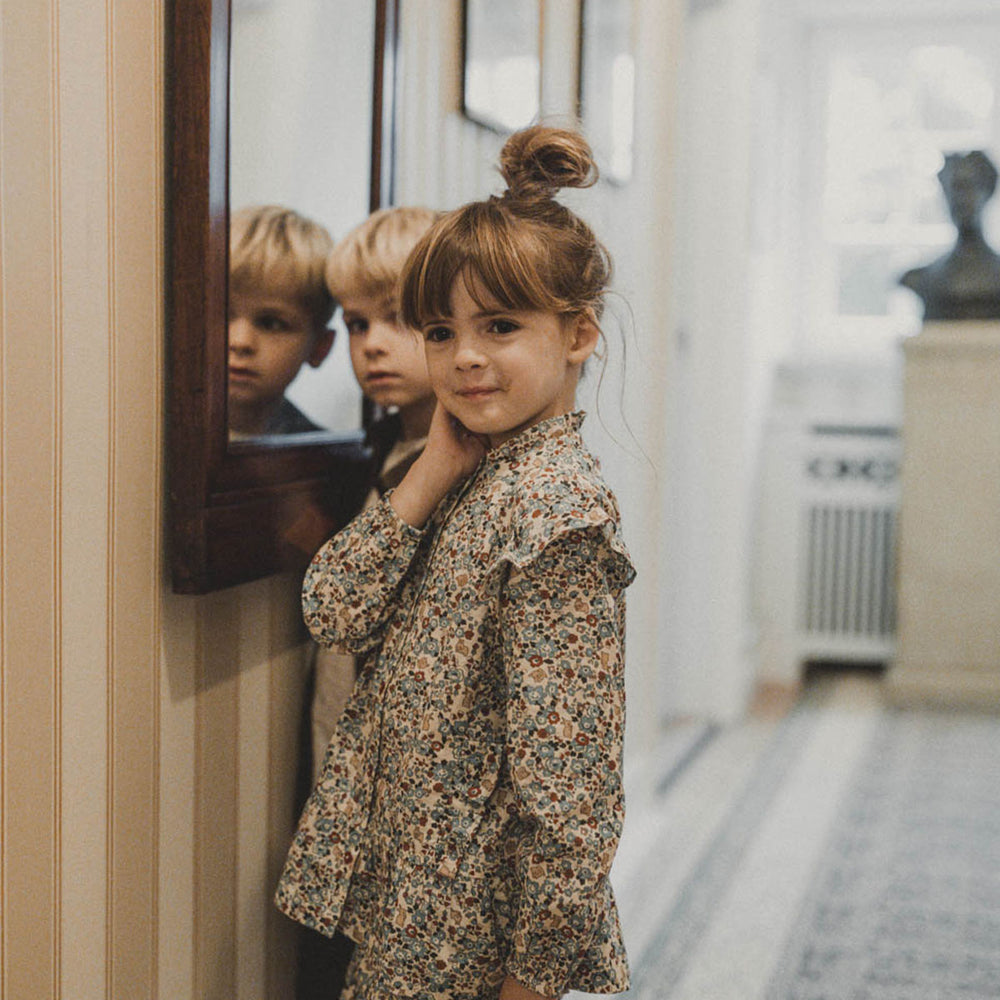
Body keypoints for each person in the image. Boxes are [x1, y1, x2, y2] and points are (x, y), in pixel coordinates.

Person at [277, 125, 635, 1000]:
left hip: (469, 930)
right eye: (441, 331)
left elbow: (571, 793)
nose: (466, 356)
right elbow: (333, 609)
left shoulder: (554, 517)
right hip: (406, 898)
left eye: (500, 326)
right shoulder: (469, 471)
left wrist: (533, 980)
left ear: (578, 333)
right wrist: (434, 467)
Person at [294, 205, 441, 1000]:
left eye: (402, 320)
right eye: (356, 323)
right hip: (354, 796)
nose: (373, 344)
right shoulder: (389, 447)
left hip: (408, 826)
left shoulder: (450, 466)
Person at [228, 204, 336, 438]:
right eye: (223, 316)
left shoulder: (320, 457)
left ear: (320, 347)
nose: (240, 342)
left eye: (271, 323)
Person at [899, 150, 1000, 321]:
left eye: (968, 187)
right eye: (954, 188)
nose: (960, 199)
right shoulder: (921, 278)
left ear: (987, 191)